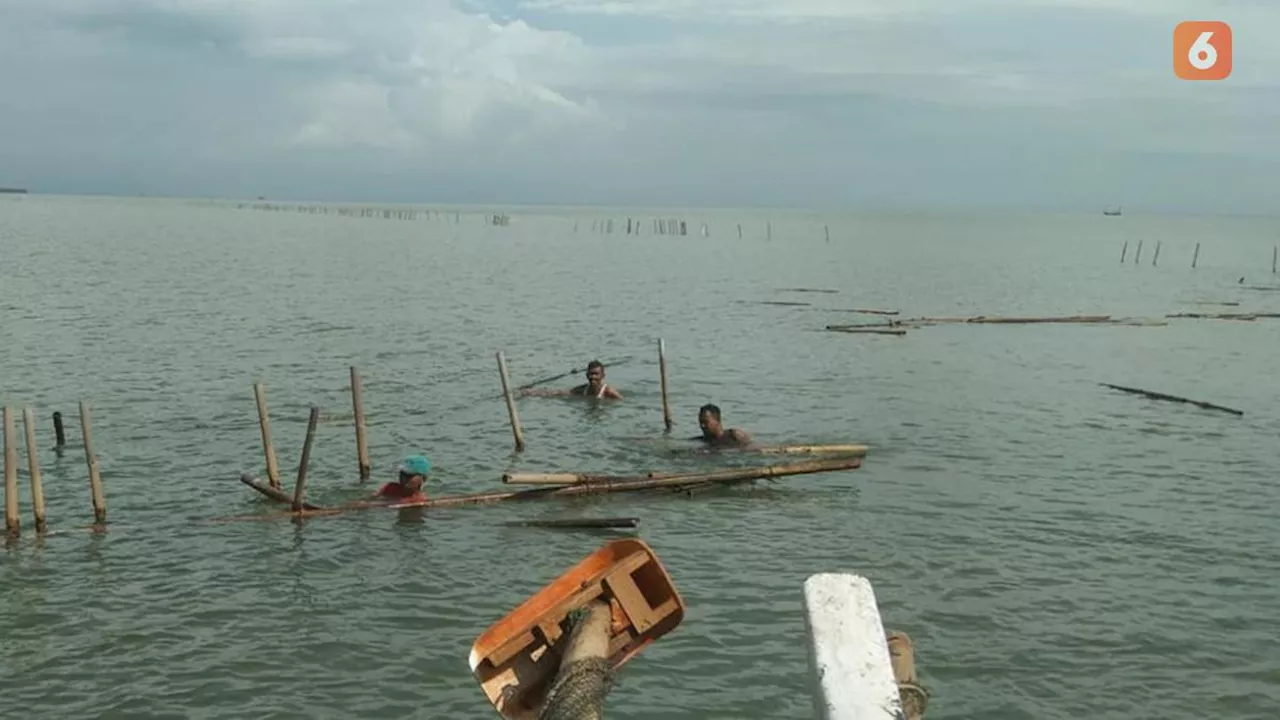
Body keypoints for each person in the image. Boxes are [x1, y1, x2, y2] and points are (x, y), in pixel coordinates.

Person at [521, 360, 623, 400]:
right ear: (586, 374)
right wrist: (532, 392)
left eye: (596, 374)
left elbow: (623, 403)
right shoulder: (583, 389)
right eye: (591, 374)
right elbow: (560, 392)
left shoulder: (609, 392)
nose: (593, 377)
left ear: (603, 376)